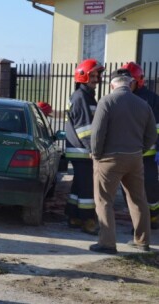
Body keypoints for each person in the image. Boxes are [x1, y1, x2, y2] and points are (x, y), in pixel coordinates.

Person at [89, 68, 156, 254]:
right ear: (130, 83)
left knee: (104, 200)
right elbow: (152, 134)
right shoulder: (143, 104)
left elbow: (98, 133)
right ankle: (142, 241)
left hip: (109, 159)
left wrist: (96, 154)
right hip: (135, 158)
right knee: (138, 199)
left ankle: (107, 243)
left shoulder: (107, 101)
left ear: (112, 84)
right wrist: (140, 150)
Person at [64, 58, 104, 235]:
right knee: (88, 187)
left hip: (79, 150)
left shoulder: (85, 96)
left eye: (97, 75)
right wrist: (93, 150)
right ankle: (88, 221)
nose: (96, 78)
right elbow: (85, 129)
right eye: (92, 75)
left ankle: (73, 217)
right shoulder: (81, 97)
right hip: (83, 150)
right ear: (83, 77)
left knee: (79, 185)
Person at [121, 62, 159, 230]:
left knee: (150, 187)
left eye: (129, 81)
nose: (126, 84)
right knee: (130, 190)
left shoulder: (152, 99)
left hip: (147, 154)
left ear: (138, 80)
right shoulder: (121, 97)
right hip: (128, 153)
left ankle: (154, 217)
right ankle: (138, 221)